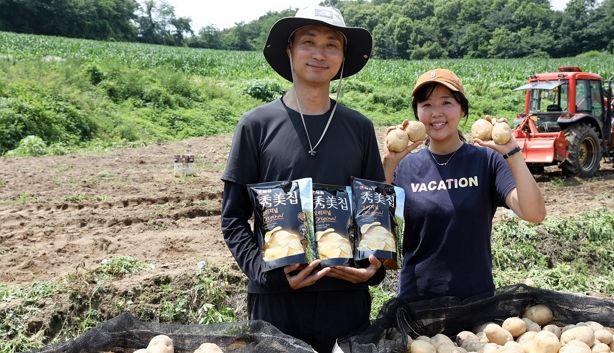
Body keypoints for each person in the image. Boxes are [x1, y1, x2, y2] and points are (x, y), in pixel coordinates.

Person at [220, 6, 385, 353]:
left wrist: (375, 269)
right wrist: (267, 273)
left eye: (331, 45)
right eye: (309, 42)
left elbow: (374, 209)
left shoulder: (359, 127)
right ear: (289, 51)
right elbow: (233, 218)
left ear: (342, 57)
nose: (319, 54)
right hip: (277, 298)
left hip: (345, 296)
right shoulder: (256, 124)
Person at [382, 68, 546, 302]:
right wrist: (388, 165)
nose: (436, 113)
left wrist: (513, 154)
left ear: (462, 110)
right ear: (417, 113)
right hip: (417, 301)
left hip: (475, 300)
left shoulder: (487, 161)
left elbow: (534, 213)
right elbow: (378, 228)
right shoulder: (405, 167)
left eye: (446, 102)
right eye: (426, 104)